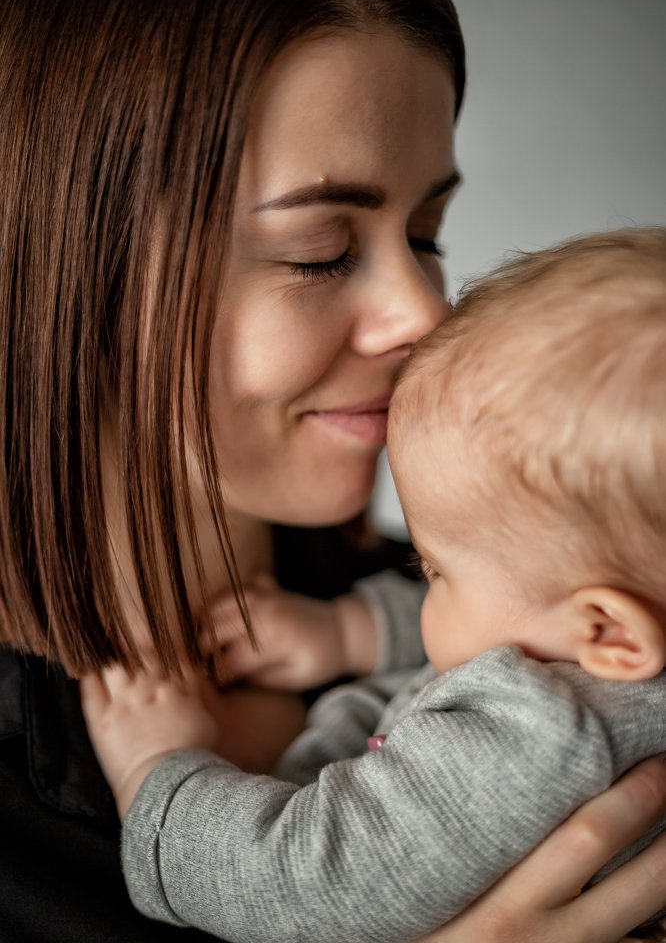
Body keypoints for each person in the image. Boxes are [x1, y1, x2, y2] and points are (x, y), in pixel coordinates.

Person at [0, 0, 664, 940]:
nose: (424, 312)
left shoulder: (540, 606)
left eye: (428, 235)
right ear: (71, 271)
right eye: (320, 253)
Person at [82, 227, 666, 942]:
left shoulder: (541, 733)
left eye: (436, 572)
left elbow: (301, 884)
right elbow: (521, 606)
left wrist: (156, 772)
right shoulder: (594, 649)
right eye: (319, 252)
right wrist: (349, 633)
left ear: (610, 633)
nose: (425, 312)